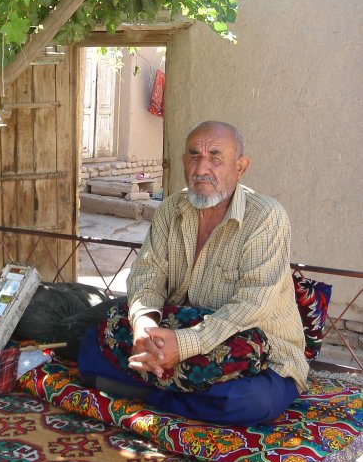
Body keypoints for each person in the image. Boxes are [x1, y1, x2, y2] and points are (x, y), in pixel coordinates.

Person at [78, 121, 308, 425]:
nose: (201, 168)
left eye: (215, 156)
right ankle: (177, 392)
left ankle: (147, 391)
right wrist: (144, 328)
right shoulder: (170, 209)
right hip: (176, 329)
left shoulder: (266, 216)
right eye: (193, 155)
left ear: (240, 167)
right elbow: (148, 274)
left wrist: (185, 344)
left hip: (253, 344)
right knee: (89, 349)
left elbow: (253, 304)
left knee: (247, 401)